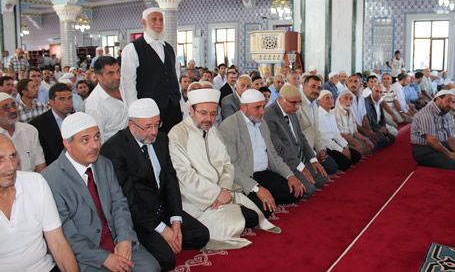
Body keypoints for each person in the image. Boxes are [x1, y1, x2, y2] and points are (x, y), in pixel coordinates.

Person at [42, 112, 161, 272]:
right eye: (86, 140)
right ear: (67, 144)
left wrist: (125, 239)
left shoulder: (103, 163)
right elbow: (64, 234)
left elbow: (120, 204)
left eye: (97, 137)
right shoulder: (50, 179)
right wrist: (103, 257)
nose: (95, 145)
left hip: (116, 240)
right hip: (85, 254)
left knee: (151, 268)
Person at [101, 98, 209, 270]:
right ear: (131, 125)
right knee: (166, 261)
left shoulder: (161, 140)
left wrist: (175, 220)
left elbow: (170, 180)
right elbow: (129, 200)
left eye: (157, 124)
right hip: (139, 217)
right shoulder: (114, 149)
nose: (153, 131)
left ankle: (166, 241)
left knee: (201, 235)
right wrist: (162, 229)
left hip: (162, 210)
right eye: (147, 127)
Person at [168, 89, 280, 250]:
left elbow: (227, 164)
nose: (209, 119)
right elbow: (184, 176)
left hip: (223, 192)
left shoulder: (213, 132)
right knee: (231, 224)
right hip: (197, 199)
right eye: (203, 113)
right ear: (191, 110)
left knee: (257, 214)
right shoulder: (178, 134)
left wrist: (223, 189)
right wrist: (214, 193)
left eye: (213, 114)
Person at [219, 89, 305, 218]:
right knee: (261, 212)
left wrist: (290, 175)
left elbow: (273, 155)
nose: (262, 112)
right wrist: (256, 188)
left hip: (265, 174)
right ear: (243, 108)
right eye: (257, 108)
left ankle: (264, 196)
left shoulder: (262, 122)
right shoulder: (229, 126)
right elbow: (232, 167)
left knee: (296, 192)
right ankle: (254, 198)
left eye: (263, 106)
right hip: (246, 177)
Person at [0, 134, 79, 272]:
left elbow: (58, 243)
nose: (11, 166)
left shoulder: (35, 182)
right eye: (0, 159)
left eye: (13, 156)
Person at [121, 7, 182, 134]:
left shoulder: (169, 48)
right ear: (144, 23)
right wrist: (135, 113)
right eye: (154, 19)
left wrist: (179, 102)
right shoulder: (132, 49)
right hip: (149, 112)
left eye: (161, 20)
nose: (158, 23)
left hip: (173, 110)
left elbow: (175, 78)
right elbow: (128, 84)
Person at [264, 85, 328, 198]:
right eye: (293, 103)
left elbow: (301, 137)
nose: (297, 107)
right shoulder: (269, 115)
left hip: (299, 157)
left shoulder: (291, 111)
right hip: (286, 162)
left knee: (322, 177)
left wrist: (313, 159)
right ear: (280, 99)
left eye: (299, 103)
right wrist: (300, 166)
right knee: (308, 190)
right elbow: (279, 148)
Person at [410, 90, 455, 171]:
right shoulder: (426, 114)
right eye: (448, 101)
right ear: (438, 99)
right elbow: (431, 140)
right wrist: (449, 154)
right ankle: (425, 167)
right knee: (454, 166)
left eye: (452, 102)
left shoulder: (444, 112)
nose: (450, 105)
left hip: (441, 146)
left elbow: (450, 137)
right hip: (425, 150)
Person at [297, 75, 339, 174]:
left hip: (314, 147)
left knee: (333, 167)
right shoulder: (298, 106)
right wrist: (314, 155)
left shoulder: (315, 105)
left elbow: (316, 131)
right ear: (304, 87)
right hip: (302, 151)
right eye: (313, 87)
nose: (316, 90)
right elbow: (298, 136)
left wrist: (321, 150)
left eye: (319, 88)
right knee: (321, 176)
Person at [85, 56, 128, 143]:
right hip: (113, 152)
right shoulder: (94, 105)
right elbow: (97, 140)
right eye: (110, 73)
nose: (117, 76)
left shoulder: (125, 85)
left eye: (118, 71)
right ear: (99, 77)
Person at [0, 92, 46, 172]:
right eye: (6, 108)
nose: (13, 110)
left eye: (14, 105)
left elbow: (40, 165)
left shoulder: (30, 130)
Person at [317, 90, 361, 170]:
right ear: (319, 101)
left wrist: (345, 147)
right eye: (327, 98)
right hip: (327, 146)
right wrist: (341, 150)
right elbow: (325, 140)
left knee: (357, 156)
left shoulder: (331, 113)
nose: (331, 100)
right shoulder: (319, 115)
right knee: (345, 164)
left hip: (335, 142)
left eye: (331, 98)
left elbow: (337, 133)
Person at [30, 83, 73, 166]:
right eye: (62, 99)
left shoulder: (76, 119)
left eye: (69, 98)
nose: (67, 103)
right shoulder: (39, 124)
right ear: (51, 102)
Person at [333, 90, 375, 156]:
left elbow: (355, 132)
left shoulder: (350, 111)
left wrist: (365, 139)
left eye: (351, 99)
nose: (348, 101)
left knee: (370, 145)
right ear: (340, 100)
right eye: (346, 98)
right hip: (342, 140)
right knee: (359, 151)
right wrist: (356, 144)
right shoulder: (336, 113)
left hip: (351, 137)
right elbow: (341, 135)